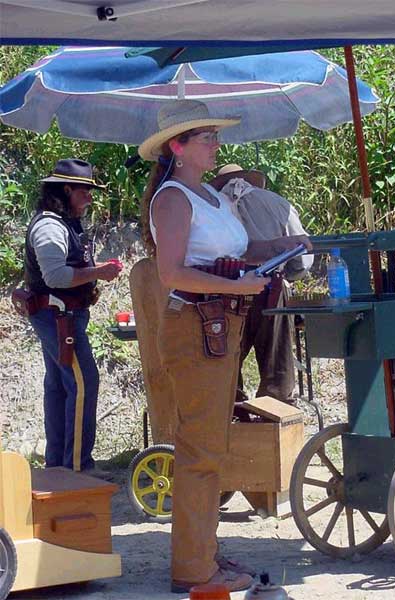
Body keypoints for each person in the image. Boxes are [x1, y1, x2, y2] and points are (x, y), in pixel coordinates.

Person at [139, 99, 312, 593]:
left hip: (216, 327)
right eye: (207, 137)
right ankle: (194, 569)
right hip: (197, 326)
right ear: (178, 146)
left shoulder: (208, 197)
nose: (217, 143)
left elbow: (233, 253)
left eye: (215, 135)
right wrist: (239, 289)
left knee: (210, 447)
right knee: (200, 451)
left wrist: (280, 247)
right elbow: (171, 273)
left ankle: (203, 555)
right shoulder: (173, 199)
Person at [23, 159, 122, 473]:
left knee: (60, 386)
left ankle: (59, 466)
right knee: (82, 383)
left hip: (57, 315)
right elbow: (56, 276)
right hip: (59, 316)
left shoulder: (58, 223)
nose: (90, 197)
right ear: (67, 190)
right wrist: (100, 272)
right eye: (85, 190)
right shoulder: (51, 226)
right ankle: (78, 467)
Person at [210, 164, 314, 403]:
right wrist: (289, 274)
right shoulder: (276, 203)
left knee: (224, 368)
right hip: (270, 288)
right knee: (277, 373)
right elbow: (303, 260)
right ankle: (275, 423)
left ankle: (232, 416)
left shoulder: (211, 208)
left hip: (222, 289)